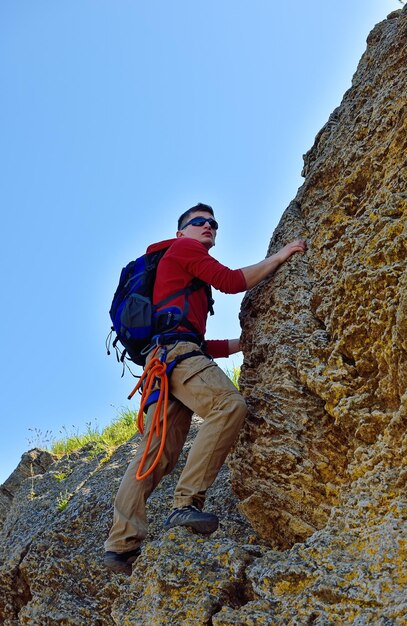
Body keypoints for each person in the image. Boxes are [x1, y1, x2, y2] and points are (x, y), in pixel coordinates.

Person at [104, 203, 306, 574]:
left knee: (154, 457)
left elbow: (191, 336)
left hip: (161, 365)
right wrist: (280, 256)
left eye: (213, 223)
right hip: (175, 359)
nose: (208, 227)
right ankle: (186, 503)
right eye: (198, 223)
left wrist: (237, 345)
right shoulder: (184, 249)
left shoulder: (174, 267)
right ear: (181, 233)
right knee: (228, 406)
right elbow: (231, 282)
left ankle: (120, 547)